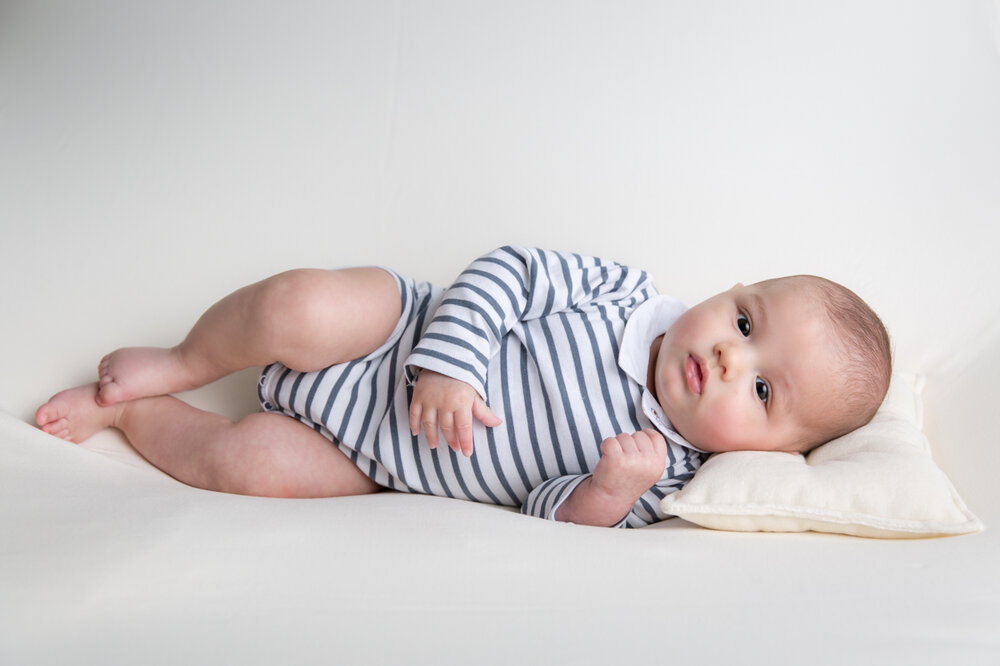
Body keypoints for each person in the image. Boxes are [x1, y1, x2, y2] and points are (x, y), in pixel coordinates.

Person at [34, 246, 892, 528]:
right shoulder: (625, 295)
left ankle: (139, 415)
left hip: (374, 459)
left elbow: (546, 516)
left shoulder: (663, 474)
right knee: (300, 304)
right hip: (402, 331)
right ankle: (184, 361)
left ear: (774, 454)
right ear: (732, 291)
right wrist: (451, 362)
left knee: (253, 467)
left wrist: (604, 490)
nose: (734, 360)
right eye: (746, 323)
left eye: (766, 395)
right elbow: (507, 272)